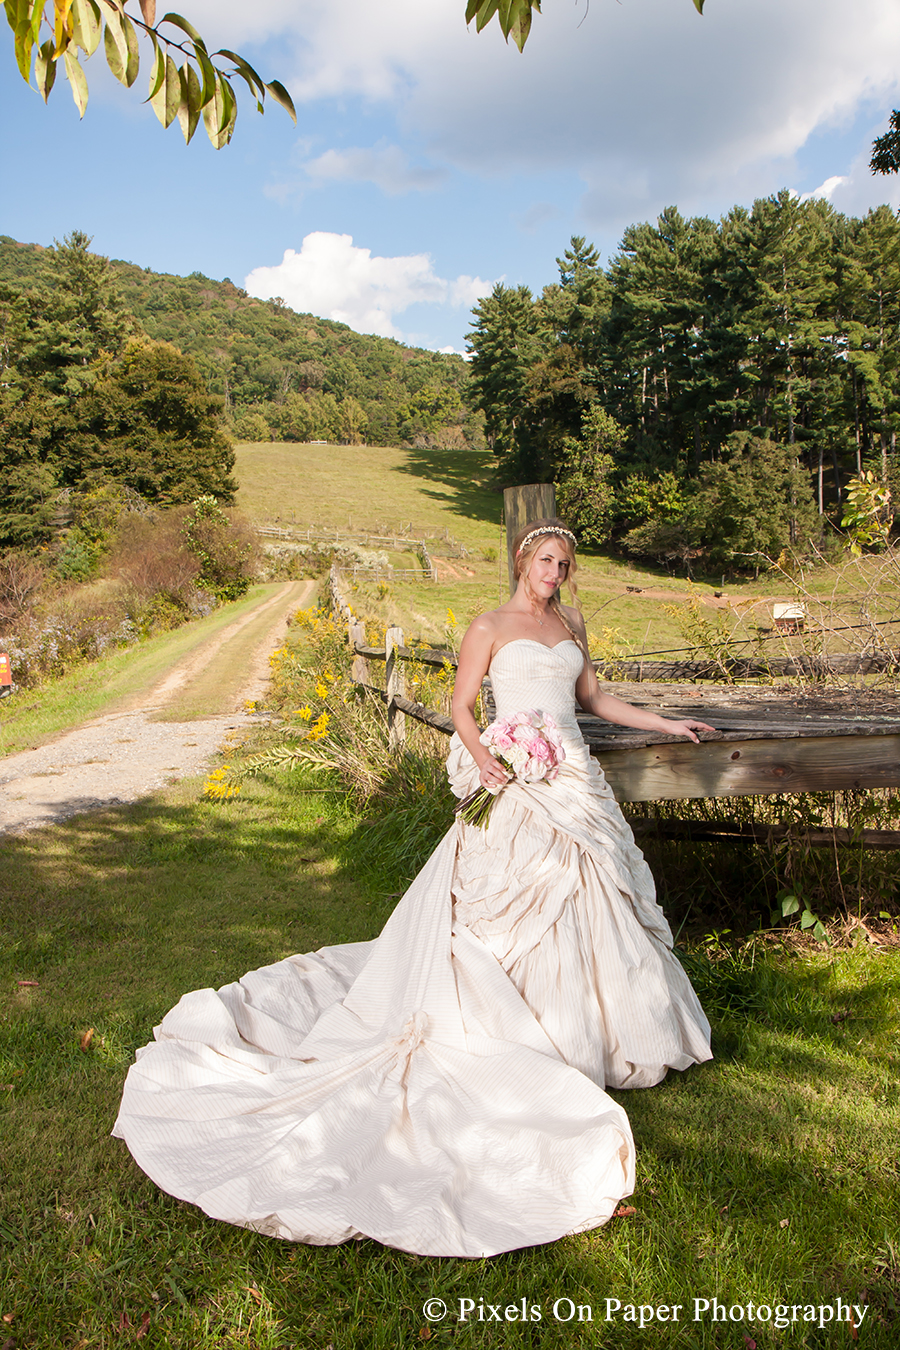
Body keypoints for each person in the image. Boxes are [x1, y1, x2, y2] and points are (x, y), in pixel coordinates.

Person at [113, 518, 713, 1260]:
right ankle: (511, 1027)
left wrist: (666, 721)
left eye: (564, 564)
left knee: (594, 895)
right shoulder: (489, 624)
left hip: (572, 782)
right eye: (545, 561)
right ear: (524, 561)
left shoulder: (572, 623)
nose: (554, 572)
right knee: (503, 907)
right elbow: (464, 708)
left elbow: (593, 701)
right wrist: (489, 760)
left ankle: (599, 1029)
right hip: (516, 782)